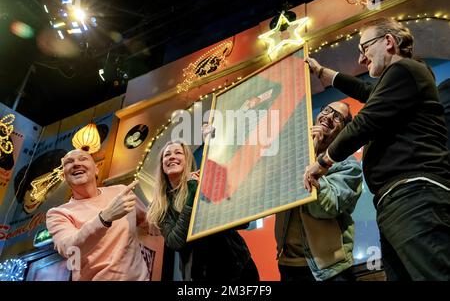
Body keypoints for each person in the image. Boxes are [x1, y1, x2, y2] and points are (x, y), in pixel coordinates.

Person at [304, 18, 450, 280]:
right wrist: (321, 72)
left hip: (414, 195)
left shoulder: (405, 70)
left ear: (389, 42)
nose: (361, 59)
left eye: (364, 48)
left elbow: (365, 121)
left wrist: (323, 161)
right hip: (397, 201)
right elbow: (363, 89)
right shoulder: (400, 79)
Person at [146, 140, 259, 281]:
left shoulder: (204, 183)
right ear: (162, 165)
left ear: (187, 161)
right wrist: (191, 198)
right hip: (203, 275)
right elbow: (175, 242)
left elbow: (241, 221)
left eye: (178, 153)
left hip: (239, 267)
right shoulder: (160, 207)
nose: (172, 157)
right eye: (167, 155)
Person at [275, 101, 362, 281]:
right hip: (288, 265)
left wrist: (313, 152)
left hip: (329, 270)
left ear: (345, 129)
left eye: (337, 117)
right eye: (327, 110)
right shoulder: (292, 156)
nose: (329, 116)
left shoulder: (348, 165)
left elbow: (325, 208)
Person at [46, 149, 150, 281]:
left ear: (96, 169)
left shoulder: (121, 192)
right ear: (64, 175)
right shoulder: (58, 214)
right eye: (69, 162)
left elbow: (151, 223)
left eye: (83, 159)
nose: (76, 164)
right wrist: (104, 218)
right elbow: (70, 249)